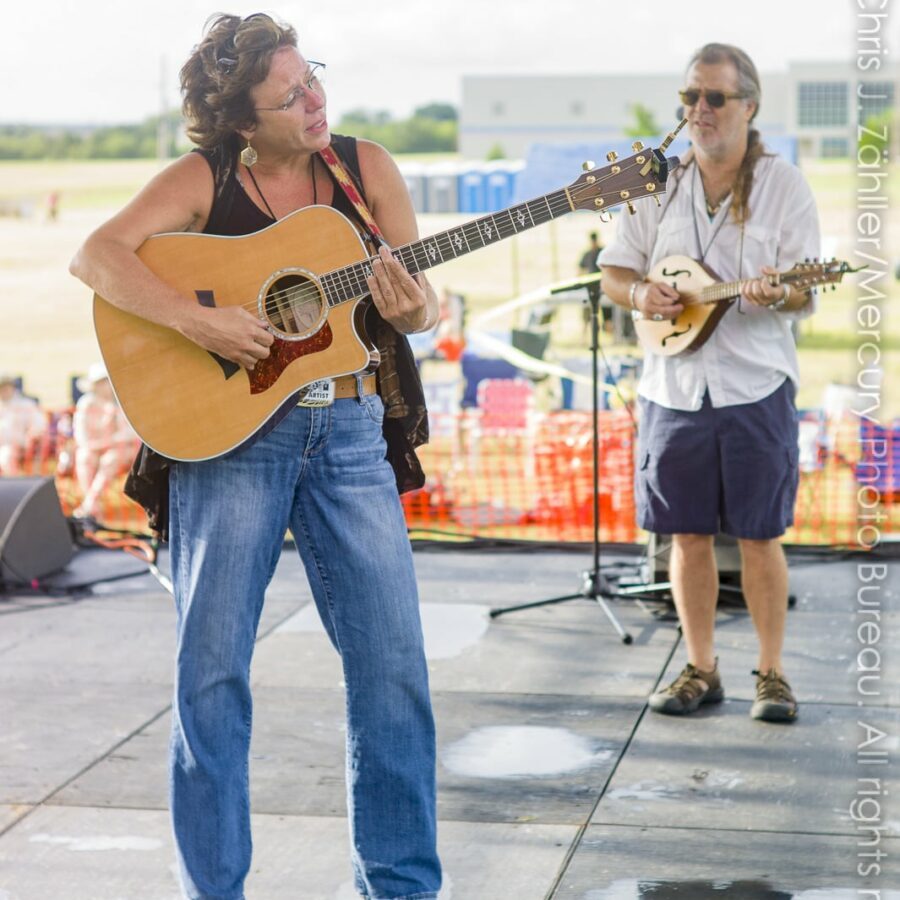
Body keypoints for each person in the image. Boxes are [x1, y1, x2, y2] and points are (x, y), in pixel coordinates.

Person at [69, 13, 442, 900]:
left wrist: (417, 312)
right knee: (212, 676)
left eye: (314, 80)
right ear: (243, 119)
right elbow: (97, 256)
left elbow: (423, 303)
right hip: (231, 443)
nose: (316, 103)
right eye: (292, 96)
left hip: (350, 433)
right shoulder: (202, 178)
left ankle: (401, 889)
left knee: (393, 672)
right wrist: (198, 320)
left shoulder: (366, 168)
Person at [600, 43, 820, 724]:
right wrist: (642, 297)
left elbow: (806, 293)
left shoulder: (785, 186)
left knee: (760, 535)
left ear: (749, 107)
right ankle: (700, 668)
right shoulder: (655, 183)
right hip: (671, 386)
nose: (699, 110)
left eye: (715, 98)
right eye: (690, 98)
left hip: (754, 385)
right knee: (685, 535)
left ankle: (772, 674)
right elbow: (615, 272)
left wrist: (774, 293)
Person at [72, 362, 138, 521]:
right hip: (95, 448)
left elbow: (129, 433)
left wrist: (108, 441)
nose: (106, 386)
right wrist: (96, 445)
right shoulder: (86, 404)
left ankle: (89, 505)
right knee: (84, 457)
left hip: (123, 450)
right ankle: (94, 508)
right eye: (101, 382)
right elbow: (81, 436)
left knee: (110, 460)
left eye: (107, 381)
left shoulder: (122, 401)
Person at [0, 374, 45, 476]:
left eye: (6, 387)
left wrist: (31, 435)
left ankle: (12, 488)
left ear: (12, 387)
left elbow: (39, 425)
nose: (3, 390)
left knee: (6, 456)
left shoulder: (25, 405)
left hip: (17, 447)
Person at [577, 231, 609, 335]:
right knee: (587, 313)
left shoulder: (603, 252)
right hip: (589, 286)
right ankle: (584, 334)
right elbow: (580, 270)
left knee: (607, 312)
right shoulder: (587, 254)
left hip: (602, 285)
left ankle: (609, 332)